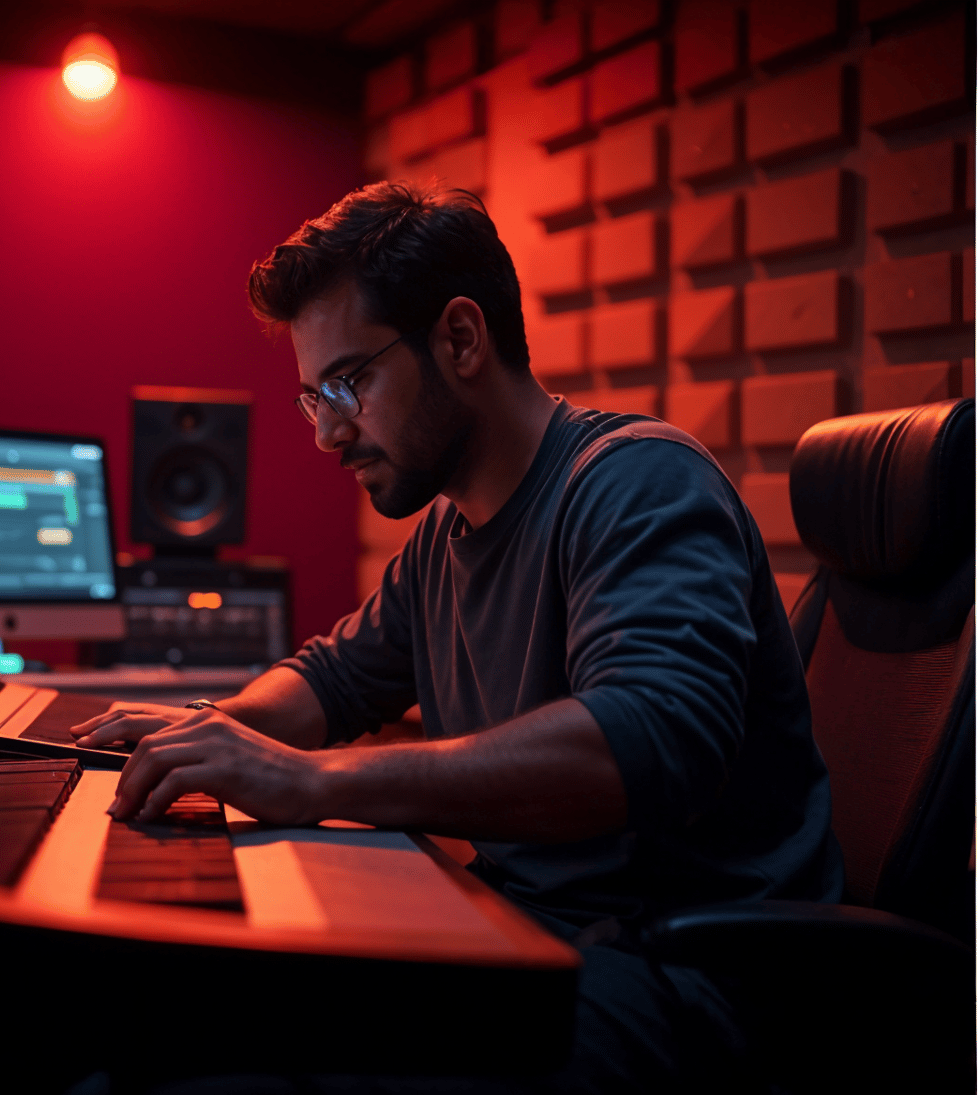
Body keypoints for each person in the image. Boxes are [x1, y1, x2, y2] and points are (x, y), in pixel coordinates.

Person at [70, 183, 842, 1093]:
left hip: (688, 984)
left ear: (461, 339)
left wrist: (309, 781)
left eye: (348, 382)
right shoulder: (443, 539)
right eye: (312, 395)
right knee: (146, 1024)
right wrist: (210, 733)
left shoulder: (640, 480)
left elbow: (648, 738)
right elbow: (334, 678)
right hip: (535, 936)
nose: (325, 432)